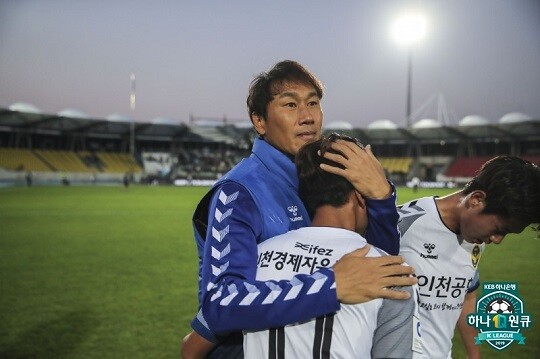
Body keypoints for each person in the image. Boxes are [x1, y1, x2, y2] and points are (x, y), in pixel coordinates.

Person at [181, 60, 416, 358]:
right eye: (290, 105)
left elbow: (377, 270)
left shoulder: (317, 178)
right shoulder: (239, 193)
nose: (307, 117)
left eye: (313, 103)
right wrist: (330, 287)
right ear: (260, 121)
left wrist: (381, 198)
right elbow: (221, 303)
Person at [244, 137, 423, 358]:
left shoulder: (255, 256)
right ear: (360, 195)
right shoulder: (389, 274)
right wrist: (383, 198)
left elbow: (197, 341)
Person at [397, 155, 540, 358]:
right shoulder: (402, 226)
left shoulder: (475, 237)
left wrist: (474, 355)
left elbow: (465, 296)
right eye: (500, 230)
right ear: (476, 200)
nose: (497, 240)